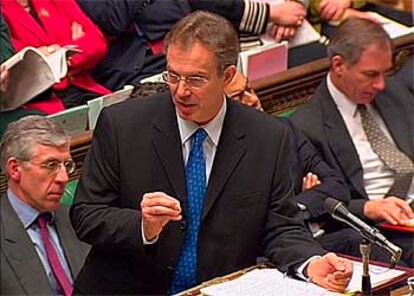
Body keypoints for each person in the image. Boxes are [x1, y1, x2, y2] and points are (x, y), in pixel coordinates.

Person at [70, 11, 352, 295]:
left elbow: (281, 226)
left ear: (227, 76)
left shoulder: (267, 137)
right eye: (173, 76)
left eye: (195, 79)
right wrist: (143, 226)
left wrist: (311, 263)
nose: (180, 91)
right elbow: (86, 215)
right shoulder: (122, 125)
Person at [290, 18, 414, 267]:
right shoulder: (307, 125)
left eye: (385, 73)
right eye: (370, 75)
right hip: (377, 230)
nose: (381, 84)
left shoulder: (394, 93)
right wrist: (368, 208)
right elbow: (317, 205)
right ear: (339, 65)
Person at [77, 0, 307, 91]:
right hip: (139, 66)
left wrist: (278, 13)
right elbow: (112, 19)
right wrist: (269, 15)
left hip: (202, 43)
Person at [0, 116, 90, 295]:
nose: (64, 177)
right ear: (15, 169)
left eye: (67, 165)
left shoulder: (77, 219)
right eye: (51, 165)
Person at [1, 0, 111, 110]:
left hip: (83, 87)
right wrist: (71, 44)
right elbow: (23, 62)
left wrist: (52, 50)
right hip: (40, 101)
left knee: (118, 114)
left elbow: (97, 42)